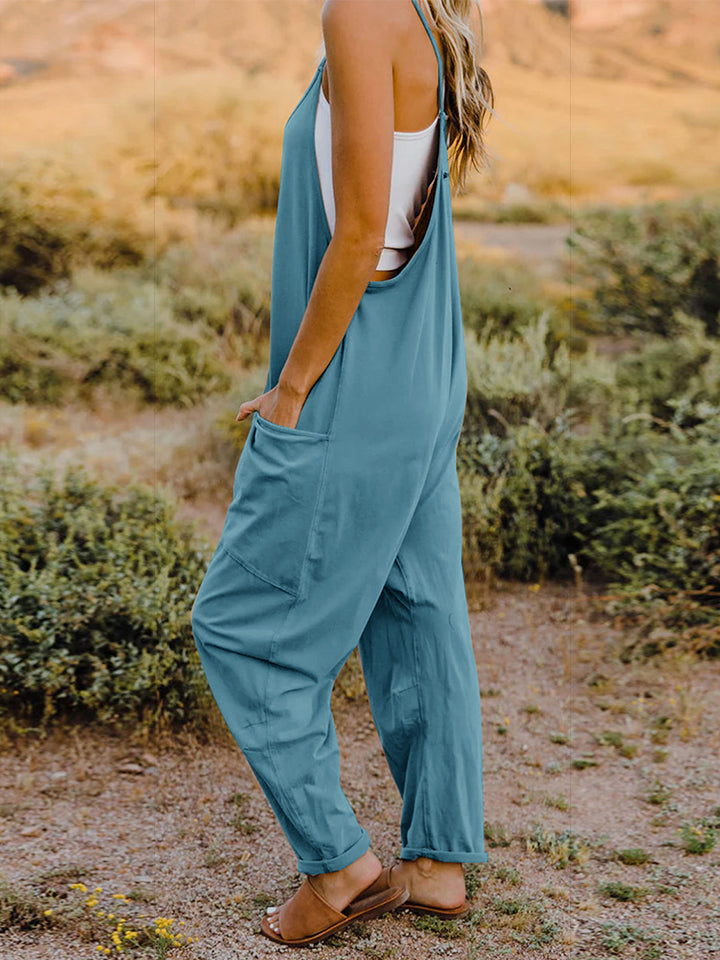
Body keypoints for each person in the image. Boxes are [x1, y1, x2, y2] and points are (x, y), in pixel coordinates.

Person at [190, 0, 496, 947]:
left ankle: (340, 867)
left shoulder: (360, 10)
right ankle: (439, 866)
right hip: (421, 368)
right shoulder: (417, 11)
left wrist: (291, 388)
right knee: (419, 612)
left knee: (240, 629)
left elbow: (363, 229)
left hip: (358, 384)